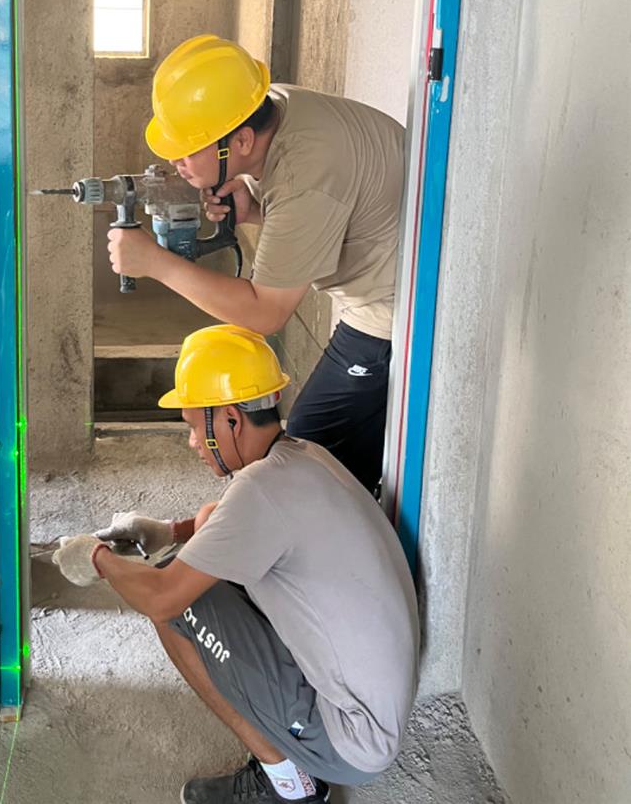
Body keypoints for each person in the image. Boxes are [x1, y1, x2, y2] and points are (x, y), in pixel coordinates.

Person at [53, 324, 419, 804]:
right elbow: (220, 518)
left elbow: (160, 598)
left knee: (177, 602)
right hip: (377, 702)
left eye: (193, 426)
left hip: (351, 738)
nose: (192, 442)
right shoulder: (302, 456)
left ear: (229, 419)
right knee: (195, 554)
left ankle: (288, 785)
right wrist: (170, 531)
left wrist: (95, 557)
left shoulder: (260, 490)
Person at [107, 34, 405, 492]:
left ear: (241, 140)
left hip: (398, 314)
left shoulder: (306, 173)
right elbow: (326, 203)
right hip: (391, 275)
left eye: (189, 149)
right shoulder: (271, 103)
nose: (175, 161)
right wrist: (256, 204)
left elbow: (266, 313)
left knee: (307, 453)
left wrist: (155, 262)